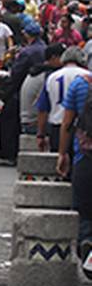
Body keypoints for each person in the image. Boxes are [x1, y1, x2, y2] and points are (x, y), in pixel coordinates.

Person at [55, 69, 92, 270]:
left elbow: (67, 123)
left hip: (84, 157)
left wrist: (62, 153)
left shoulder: (80, 85)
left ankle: (86, 242)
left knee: (83, 209)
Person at [0, 21, 45, 164]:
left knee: (6, 120)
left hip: (22, 92)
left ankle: (8, 154)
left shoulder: (27, 53)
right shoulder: (43, 48)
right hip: (38, 92)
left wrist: (4, 93)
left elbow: (16, 75)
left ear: (26, 34)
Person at [36, 47, 88, 152]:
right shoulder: (87, 76)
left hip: (57, 127)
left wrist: (41, 134)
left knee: (59, 162)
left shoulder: (52, 77)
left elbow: (43, 109)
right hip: (82, 128)